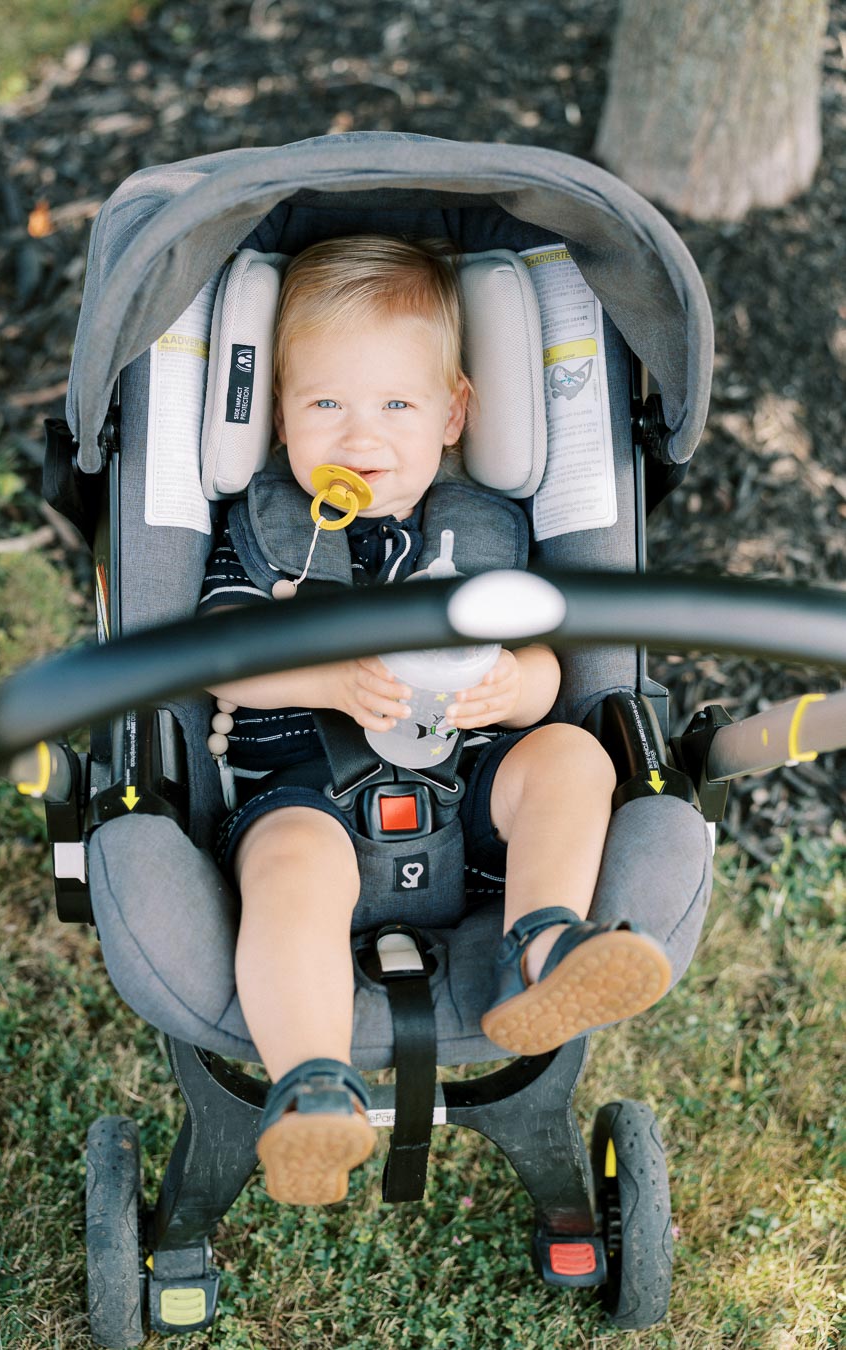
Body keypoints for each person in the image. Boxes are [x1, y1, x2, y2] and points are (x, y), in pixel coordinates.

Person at [201, 235, 672, 1205]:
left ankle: (543, 944)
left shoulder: (489, 533)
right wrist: (328, 679)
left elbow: (548, 659)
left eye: (396, 405)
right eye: (324, 403)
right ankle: (312, 1087)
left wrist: (521, 687)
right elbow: (219, 663)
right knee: (290, 867)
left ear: (455, 412)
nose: (358, 437)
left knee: (573, 754)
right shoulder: (272, 529)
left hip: (475, 798)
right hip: (308, 799)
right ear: (280, 413)